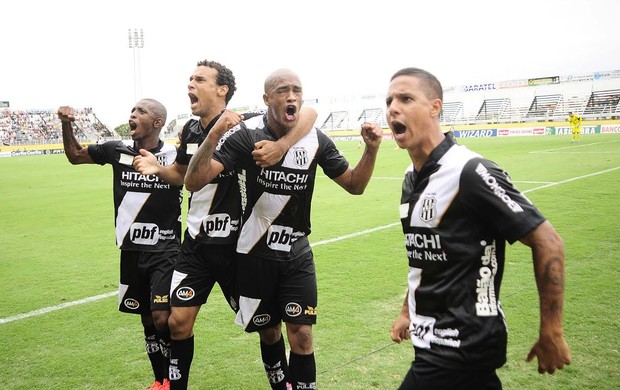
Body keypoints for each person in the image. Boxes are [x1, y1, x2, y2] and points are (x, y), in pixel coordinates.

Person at [183, 68, 383, 390]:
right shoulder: (247, 135)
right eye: (282, 90)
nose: (291, 96)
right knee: (269, 331)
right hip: (254, 251)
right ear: (266, 99)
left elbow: (355, 185)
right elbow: (193, 180)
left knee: (302, 334)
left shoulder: (314, 139)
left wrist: (371, 150)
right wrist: (213, 135)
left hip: (296, 250)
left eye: (297, 90)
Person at [133, 60, 317, 390]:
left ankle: (283, 384)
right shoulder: (190, 130)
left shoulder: (245, 123)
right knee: (177, 321)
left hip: (237, 248)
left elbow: (309, 114)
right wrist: (157, 169)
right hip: (196, 245)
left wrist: (282, 146)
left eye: (199, 79)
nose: (190, 84)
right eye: (190, 78)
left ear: (222, 90)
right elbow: (183, 175)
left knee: (267, 327)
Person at [386, 67, 571, 389]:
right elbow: (424, 257)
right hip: (433, 343)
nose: (393, 108)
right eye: (389, 100)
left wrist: (551, 331)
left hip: (461, 345)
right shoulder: (410, 179)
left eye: (405, 98)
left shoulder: (470, 172)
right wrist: (406, 310)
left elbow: (549, 242)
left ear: (435, 107)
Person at [58, 99, 182, 390]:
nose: (132, 115)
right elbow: (75, 155)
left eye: (141, 112)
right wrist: (66, 124)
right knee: (147, 320)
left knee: (163, 317)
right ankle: (160, 380)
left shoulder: (174, 154)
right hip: (130, 250)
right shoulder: (116, 150)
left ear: (157, 122)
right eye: (132, 111)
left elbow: (192, 176)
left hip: (165, 249)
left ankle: (175, 379)